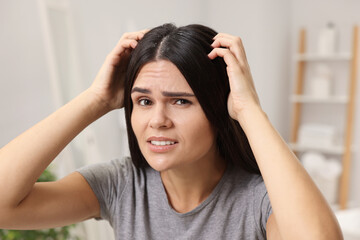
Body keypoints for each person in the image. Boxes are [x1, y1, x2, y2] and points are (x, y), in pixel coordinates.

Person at [0, 23, 342, 239]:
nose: (157, 120)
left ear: (217, 108)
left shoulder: (258, 201)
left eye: (180, 102)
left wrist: (248, 109)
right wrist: (95, 100)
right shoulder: (122, 186)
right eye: (144, 101)